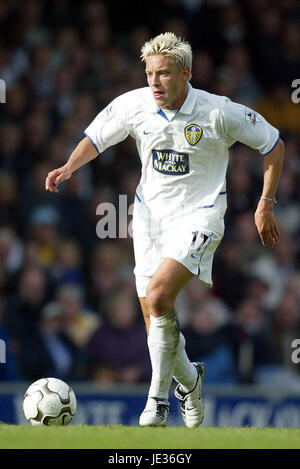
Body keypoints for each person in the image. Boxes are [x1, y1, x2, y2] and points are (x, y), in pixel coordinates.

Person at [45, 32, 284, 428]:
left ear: (186, 73)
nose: (155, 82)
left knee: (158, 297)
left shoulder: (217, 112)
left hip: (200, 217)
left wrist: (265, 202)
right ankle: (190, 383)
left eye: (165, 74)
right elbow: (96, 136)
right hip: (150, 221)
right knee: (155, 319)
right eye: (150, 73)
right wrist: (69, 167)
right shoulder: (136, 104)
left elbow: (273, 144)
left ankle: (156, 402)